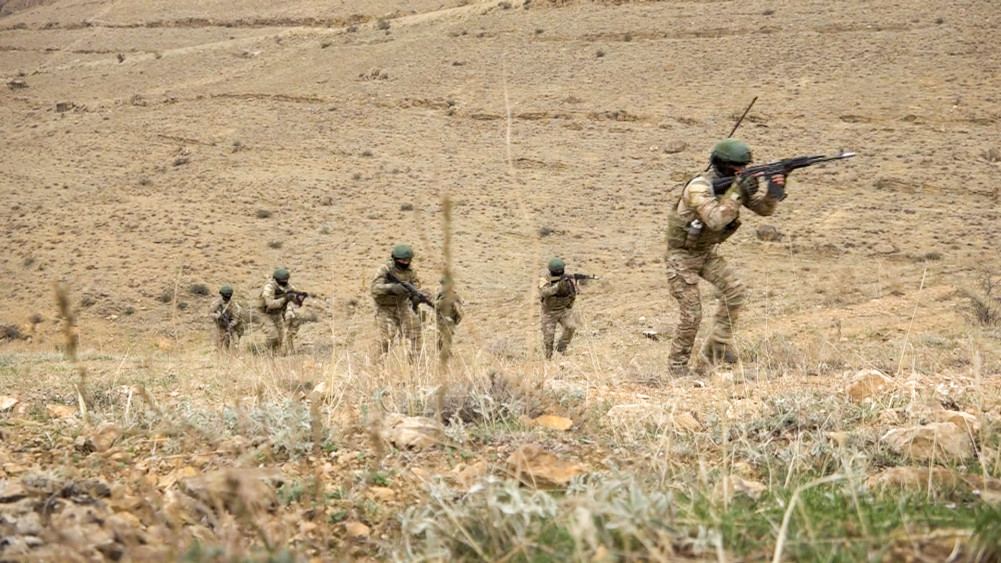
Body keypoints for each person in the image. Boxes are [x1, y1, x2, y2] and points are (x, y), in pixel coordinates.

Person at [665, 139, 786, 376]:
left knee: (735, 292)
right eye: (735, 168)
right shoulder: (698, 187)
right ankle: (677, 369)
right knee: (692, 315)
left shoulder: (736, 185)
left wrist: (774, 189)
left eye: (743, 167)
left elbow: (764, 210)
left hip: (706, 253)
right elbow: (715, 220)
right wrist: (737, 191)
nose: (740, 172)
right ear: (721, 165)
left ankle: (716, 348)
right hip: (681, 257)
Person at [370, 244, 429, 358]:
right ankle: (376, 365)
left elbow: (416, 286)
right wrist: (391, 288)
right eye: (402, 260)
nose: (405, 263)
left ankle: (415, 364)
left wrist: (416, 297)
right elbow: (374, 289)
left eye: (408, 260)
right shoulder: (385, 269)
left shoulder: (411, 272)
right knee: (385, 338)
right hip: (385, 308)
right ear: (395, 259)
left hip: (402, 305)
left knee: (415, 331)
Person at [538, 258, 579, 359]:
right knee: (549, 337)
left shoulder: (567, 278)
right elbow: (544, 292)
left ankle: (561, 348)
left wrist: (569, 305)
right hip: (549, 313)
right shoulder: (545, 279)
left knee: (571, 327)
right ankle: (548, 358)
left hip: (563, 310)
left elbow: (574, 293)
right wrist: (557, 287)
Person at [259, 267, 306, 354]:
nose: (285, 283)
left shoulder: (287, 286)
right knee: (273, 336)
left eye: (286, 281)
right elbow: (270, 304)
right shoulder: (269, 287)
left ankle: (274, 355)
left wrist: (300, 297)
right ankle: (263, 353)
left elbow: (294, 294)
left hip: (277, 314)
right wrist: (285, 299)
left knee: (280, 338)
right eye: (282, 281)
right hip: (264, 314)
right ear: (276, 279)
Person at [435, 277, 463, 362]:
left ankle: (446, 358)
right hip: (440, 322)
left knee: (446, 340)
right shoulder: (441, 295)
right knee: (440, 341)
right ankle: (445, 356)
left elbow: (460, 311)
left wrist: (455, 321)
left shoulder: (454, 296)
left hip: (449, 322)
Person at [209, 285, 243, 350]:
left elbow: (235, 319)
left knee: (235, 343)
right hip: (221, 325)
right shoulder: (216, 303)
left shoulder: (235, 306)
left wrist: (229, 326)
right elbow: (210, 313)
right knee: (218, 344)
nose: (224, 298)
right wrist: (217, 316)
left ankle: (232, 355)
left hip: (233, 326)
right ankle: (220, 356)